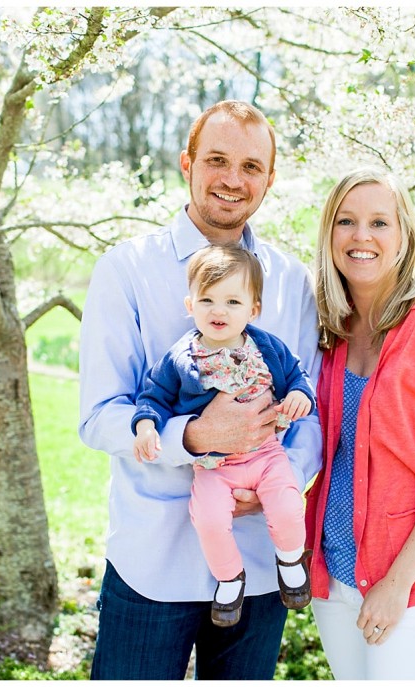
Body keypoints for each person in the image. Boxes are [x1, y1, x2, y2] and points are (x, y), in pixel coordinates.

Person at [78, 100, 322, 680]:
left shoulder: (290, 282)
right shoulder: (127, 269)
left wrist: (277, 482)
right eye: (216, 159)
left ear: (269, 178)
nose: (233, 179)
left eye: (251, 166)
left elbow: (309, 410)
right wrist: (190, 436)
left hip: (261, 562)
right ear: (186, 163)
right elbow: (99, 415)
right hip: (152, 557)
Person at [304, 167, 415, 680]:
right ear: (329, 234)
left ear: (404, 234)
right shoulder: (331, 327)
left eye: (380, 222)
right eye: (346, 221)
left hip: (410, 584)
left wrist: (397, 583)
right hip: (336, 572)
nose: (361, 237)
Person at [132, 244, 315, 628]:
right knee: (209, 518)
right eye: (208, 300)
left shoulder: (266, 347)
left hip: (266, 454)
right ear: (190, 304)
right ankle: (230, 578)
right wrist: (146, 426)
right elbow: (153, 396)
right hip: (215, 464)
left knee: (285, 503)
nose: (219, 311)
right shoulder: (182, 358)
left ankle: (290, 558)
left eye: (233, 301)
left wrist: (299, 395)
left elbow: (298, 375)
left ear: (253, 310)